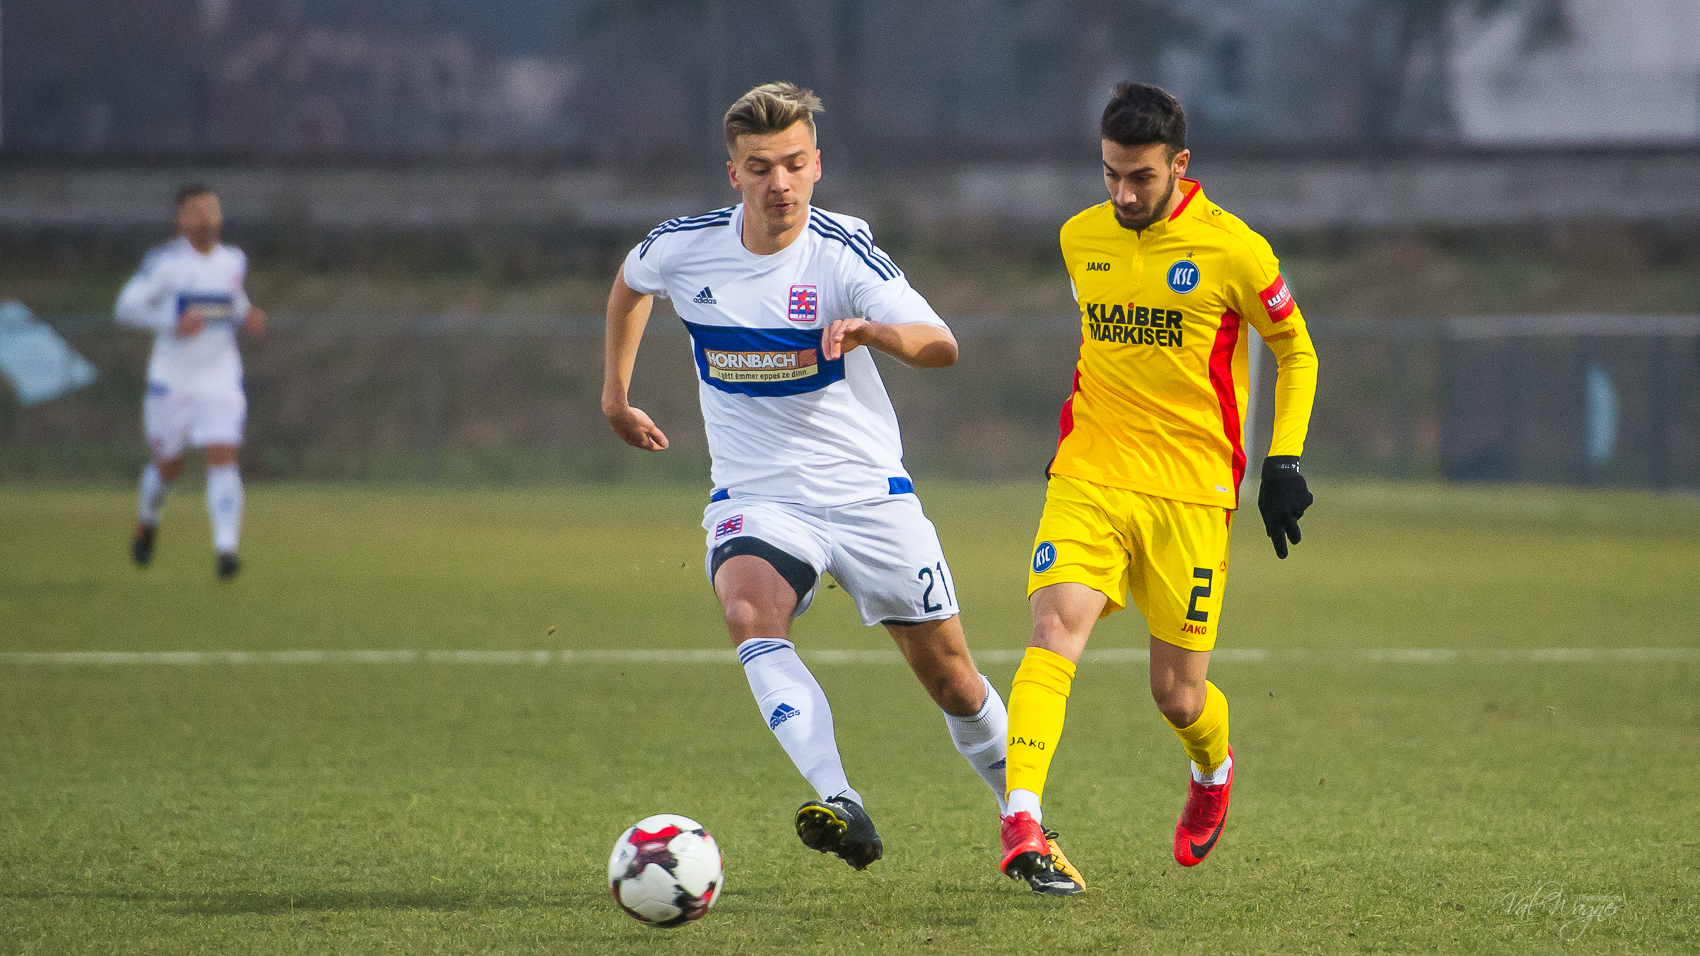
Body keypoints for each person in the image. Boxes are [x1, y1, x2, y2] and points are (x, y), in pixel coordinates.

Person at [602, 82, 1011, 872]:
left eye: (793, 164)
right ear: (734, 175)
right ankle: (841, 799)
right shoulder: (684, 247)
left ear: (817, 164)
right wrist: (616, 396)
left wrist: (874, 332)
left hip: (867, 494)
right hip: (758, 496)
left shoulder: (841, 249)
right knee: (750, 611)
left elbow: (941, 344)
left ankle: (1021, 816)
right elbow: (630, 284)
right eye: (759, 168)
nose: (779, 184)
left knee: (954, 680)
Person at [997, 84, 1320, 895]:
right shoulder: (1081, 238)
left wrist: (1282, 462)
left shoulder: (1235, 249)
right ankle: (1022, 819)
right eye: (1110, 174)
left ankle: (1213, 770)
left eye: (1140, 176)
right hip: (1091, 471)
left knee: (1177, 696)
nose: (1123, 193)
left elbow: (1297, 351)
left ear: (1180, 164)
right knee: (1051, 631)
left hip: (1189, 493)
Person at [116, 184, 266, 579]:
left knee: (222, 454)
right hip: (172, 379)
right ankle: (147, 521)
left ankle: (226, 550)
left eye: (212, 211)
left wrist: (248, 314)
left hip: (220, 375)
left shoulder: (234, 260)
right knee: (169, 464)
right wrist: (170, 323)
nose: (206, 219)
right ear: (181, 219)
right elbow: (126, 307)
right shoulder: (164, 263)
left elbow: (232, 300)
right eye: (197, 212)